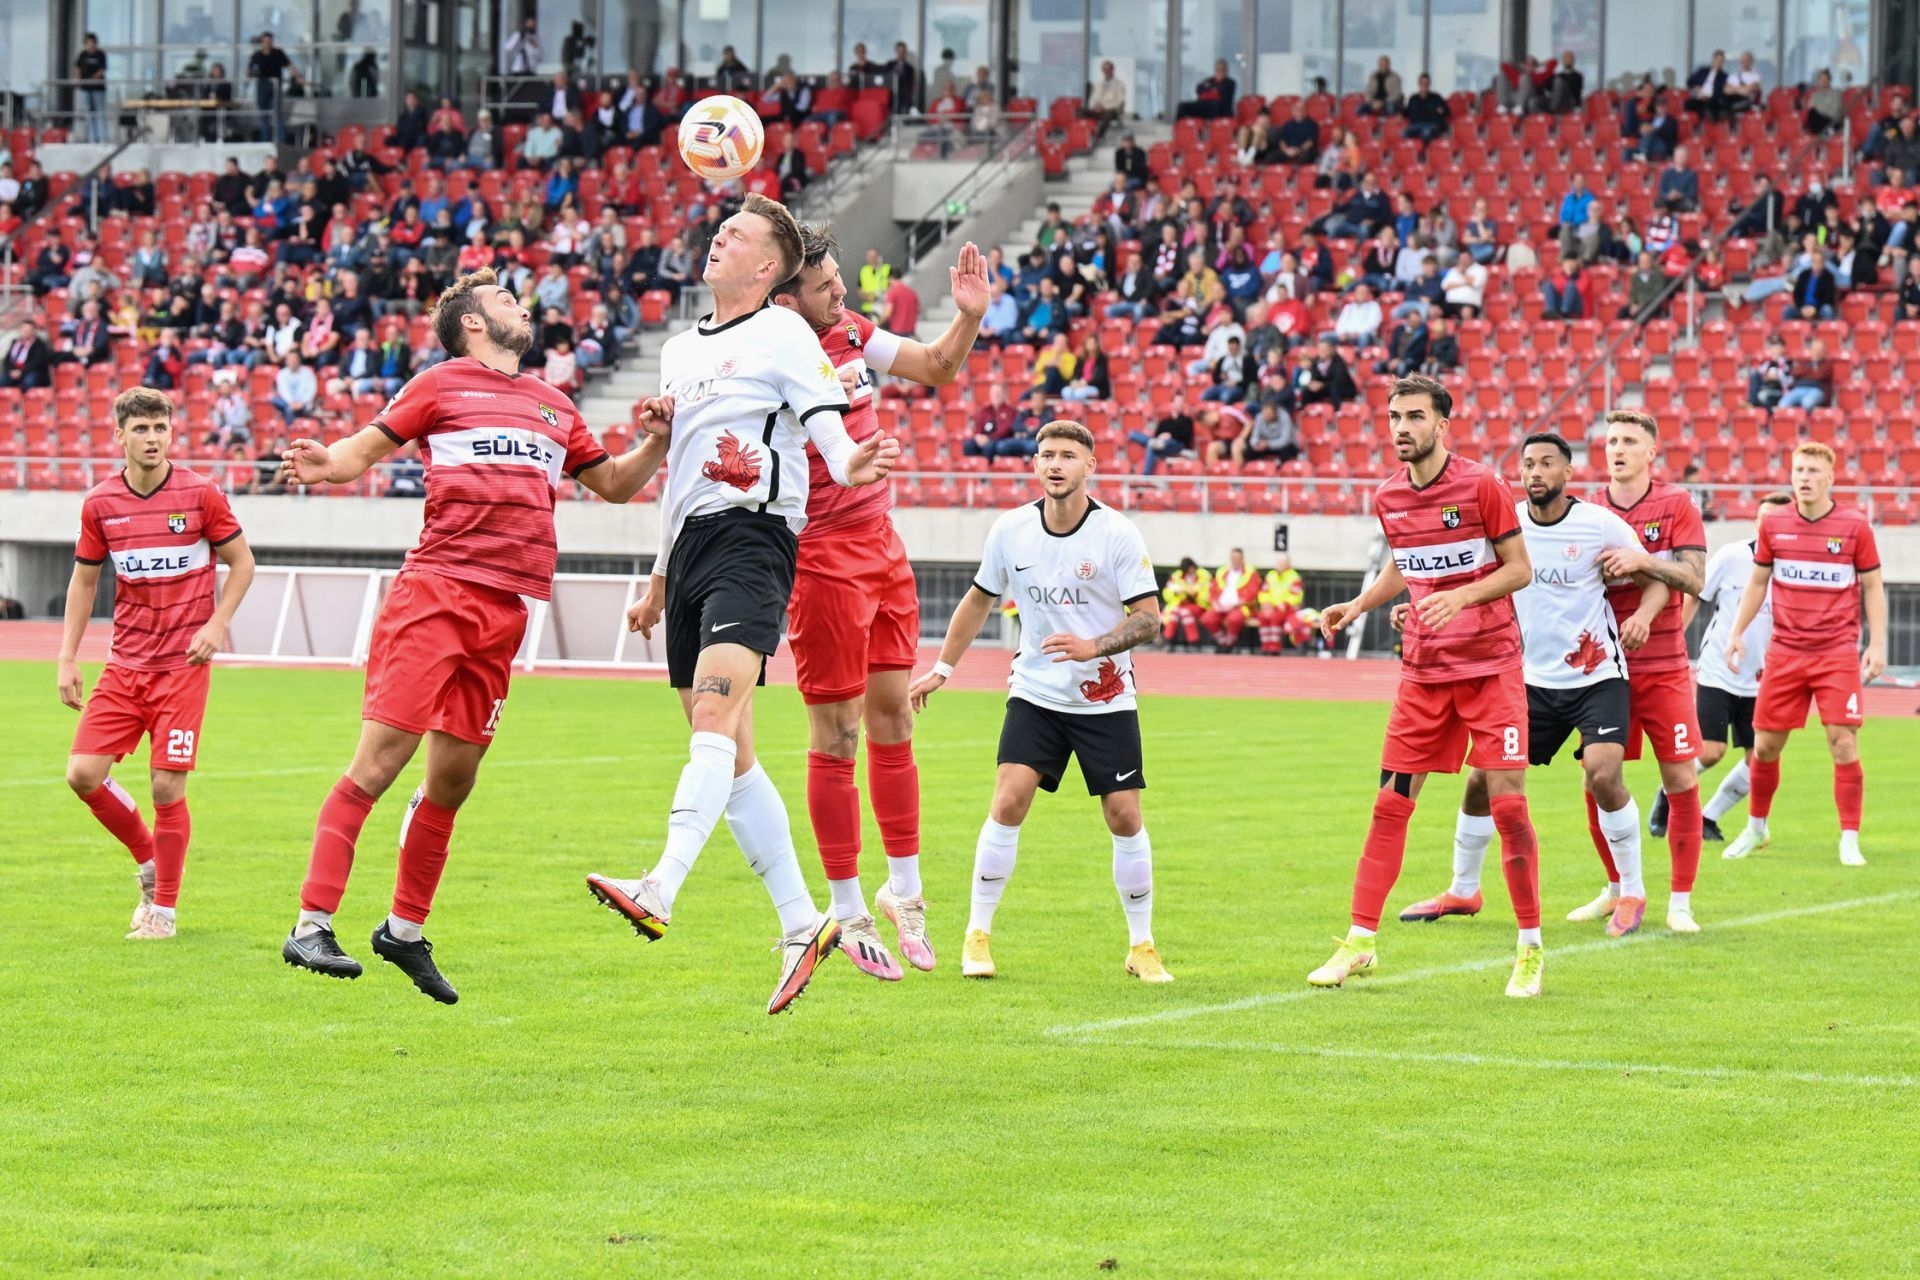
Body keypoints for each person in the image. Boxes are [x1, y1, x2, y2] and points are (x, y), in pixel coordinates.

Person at [277, 268, 669, 1002]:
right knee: (379, 762)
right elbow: (358, 452)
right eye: (506, 302)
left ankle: (404, 931)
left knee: (453, 781)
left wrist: (652, 442)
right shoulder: (441, 383)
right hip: (438, 595)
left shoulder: (555, 406)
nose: (522, 308)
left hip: (507, 610)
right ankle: (311, 922)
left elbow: (613, 483)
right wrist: (324, 464)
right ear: (475, 325)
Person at [585, 196, 898, 1015]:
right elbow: (681, 467)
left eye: (738, 236)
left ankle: (660, 886)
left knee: (714, 722)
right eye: (719, 230)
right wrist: (658, 574)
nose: (718, 238)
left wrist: (853, 460)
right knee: (732, 754)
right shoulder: (680, 347)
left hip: (754, 540)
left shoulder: (785, 334)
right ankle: (803, 924)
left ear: (767, 270)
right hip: (689, 549)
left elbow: (826, 426)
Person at [767, 228, 987, 978]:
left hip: (883, 547)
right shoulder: (768, 355)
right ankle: (846, 904)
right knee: (838, 734)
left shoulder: (850, 331)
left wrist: (969, 315)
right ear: (783, 295)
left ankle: (907, 893)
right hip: (821, 558)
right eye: (826, 285)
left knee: (894, 717)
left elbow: (938, 367)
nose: (842, 294)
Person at [909, 420, 1172, 983]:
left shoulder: (1117, 534)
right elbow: (978, 602)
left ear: (1090, 466)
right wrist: (940, 668)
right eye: (1047, 454)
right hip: (1035, 693)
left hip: (1105, 697)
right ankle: (976, 937)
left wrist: (1092, 647)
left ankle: (1142, 945)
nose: (1056, 464)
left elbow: (1149, 618)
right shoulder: (1011, 530)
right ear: (1035, 464)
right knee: (1008, 801)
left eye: (1068, 455)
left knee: (1124, 816)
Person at [1310, 375, 1543, 998]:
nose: (1402, 428)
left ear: (1443, 424)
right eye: (1394, 417)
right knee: (1390, 805)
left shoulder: (1481, 485)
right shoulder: (1389, 496)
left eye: (1415, 416)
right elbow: (1405, 562)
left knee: (1510, 806)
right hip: (1423, 674)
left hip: (1491, 667)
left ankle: (1529, 950)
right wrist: (1357, 605)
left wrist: (1459, 597)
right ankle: (1359, 943)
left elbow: (1520, 569)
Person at [1398, 433, 1664, 939]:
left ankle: (1631, 890)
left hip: (1597, 676)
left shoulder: (1598, 524)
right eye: (1527, 464)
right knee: (1481, 783)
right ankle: (1463, 889)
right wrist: (1416, 607)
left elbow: (1652, 575)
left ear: (1567, 473)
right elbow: (1462, 580)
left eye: (1547, 463)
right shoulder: (1507, 524)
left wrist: (1644, 616)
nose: (1535, 472)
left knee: (1603, 773)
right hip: (1528, 680)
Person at [60, 388, 256, 940]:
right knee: (82, 775)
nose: (152, 438)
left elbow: (242, 563)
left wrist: (217, 624)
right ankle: (149, 859)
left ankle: (163, 913)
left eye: (160, 428)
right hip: (125, 666)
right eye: (141, 429)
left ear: (172, 433)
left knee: (167, 787)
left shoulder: (200, 494)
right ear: (119, 436)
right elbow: (84, 580)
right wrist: (67, 657)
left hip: (181, 668)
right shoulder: (99, 503)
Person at [1565, 410, 1707, 932]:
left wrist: (1640, 561)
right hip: (1601, 665)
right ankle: (1615, 888)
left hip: (1663, 661)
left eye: (1629, 441)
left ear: (1652, 452)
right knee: (1597, 777)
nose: (1617, 449)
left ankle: (1681, 902)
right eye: (1611, 442)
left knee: (1679, 776)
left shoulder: (1676, 504)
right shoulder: (1586, 509)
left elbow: (1694, 578)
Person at [1722, 444, 1886, 866]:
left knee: (1843, 743)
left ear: (1830, 477)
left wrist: (1878, 643)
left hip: (1836, 654)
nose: (1804, 477)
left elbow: (1872, 587)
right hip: (1786, 653)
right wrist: (1737, 632)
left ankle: (1849, 837)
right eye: (1798, 470)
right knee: (1764, 747)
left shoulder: (1854, 527)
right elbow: (1758, 583)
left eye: (1813, 470)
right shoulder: (1774, 525)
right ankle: (1756, 827)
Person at [1666, 494, 1793, 843]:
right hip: (1719, 669)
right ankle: (1670, 791)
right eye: (1764, 518)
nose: (1769, 525)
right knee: (1711, 750)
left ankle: (1709, 816)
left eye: (1777, 519)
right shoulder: (1732, 556)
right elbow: (1695, 596)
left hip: (1765, 678)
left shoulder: (1795, 565)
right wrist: (1675, 635)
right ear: (1755, 521)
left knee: (1759, 759)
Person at [1200, 549, 1261, 652]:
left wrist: (1234, 605)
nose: (1235, 561)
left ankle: (1229, 642)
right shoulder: (1222, 572)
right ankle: (1222, 640)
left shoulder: (1250, 573)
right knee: (1207, 618)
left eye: (1237, 558)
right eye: (1233, 558)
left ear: (1242, 559)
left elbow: (1252, 593)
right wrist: (1215, 604)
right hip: (1221, 606)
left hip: (1240, 606)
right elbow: (1213, 590)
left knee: (1234, 619)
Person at [1256, 554, 1305, 655]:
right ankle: (1266, 646)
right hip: (1272, 607)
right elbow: (1264, 591)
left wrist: (1284, 604)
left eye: (1283, 563)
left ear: (1288, 564)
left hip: (1287, 608)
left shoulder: (1294, 576)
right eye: (1279, 562)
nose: (1280, 565)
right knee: (1262, 616)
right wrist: (1265, 603)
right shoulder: (1271, 575)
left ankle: (1274, 648)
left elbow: (1296, 595)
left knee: (1275, 617)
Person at [1160, 557, 1209, 647]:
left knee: (1183, 612)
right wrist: (1175, 592)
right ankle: (1169, 639)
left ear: (1193, 567)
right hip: (1181, 605)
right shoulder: (1177, 576)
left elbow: (1207, 595)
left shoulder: (1204, 575)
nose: (1188, 572)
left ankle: (1192, 640)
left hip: (1200, 605)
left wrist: (1193, 593)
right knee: (1175, 613)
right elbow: (1167, 593)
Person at [76, 33, 109, 144]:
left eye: (92, 43)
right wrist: (80, 78)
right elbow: (77, 67)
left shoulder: (100, 55)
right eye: (88, 43)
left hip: (98, 89)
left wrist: (91, 79)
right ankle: (91, 140)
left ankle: (102, 139)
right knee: (88, 115)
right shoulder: (82, 55)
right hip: (85, 89)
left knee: (99, 113)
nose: (90, 45)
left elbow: (102, 70)